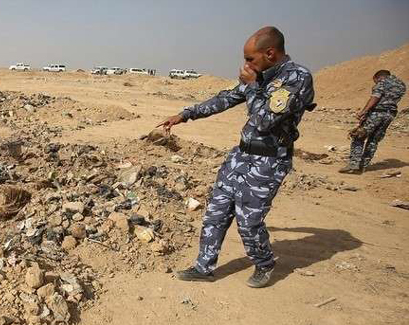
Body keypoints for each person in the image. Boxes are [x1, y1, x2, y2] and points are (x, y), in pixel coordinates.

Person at [157, 26, 315, 288]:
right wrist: (186, 114)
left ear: (271, 53)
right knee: (216, 212)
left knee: (249, 221)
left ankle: (264, 263)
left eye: (250, 59)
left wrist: (253, 86)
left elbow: (264, 120)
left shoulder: (297, 78)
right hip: (240, 155)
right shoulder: (260, 74)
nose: (245, 64)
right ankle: (203, 267)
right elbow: (227, 98)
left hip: (269, 161)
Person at [339, 70, 406, 174]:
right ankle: (363, 166)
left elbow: (375, 98)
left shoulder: (382, 83)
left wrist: (364, 112)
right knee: (374, 140)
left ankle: (353, 164)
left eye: (375, 81)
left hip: (377, 113)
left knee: (358, 135)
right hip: (390, 114)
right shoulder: (401, 85)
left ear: (377, 77)